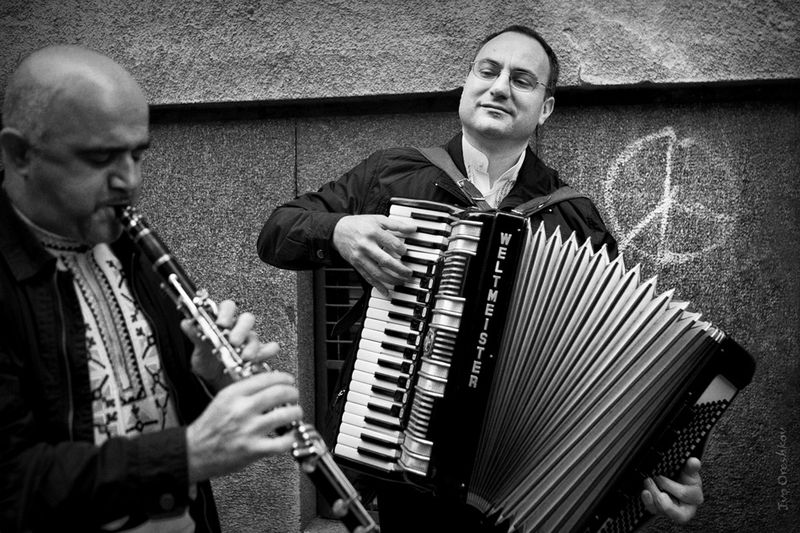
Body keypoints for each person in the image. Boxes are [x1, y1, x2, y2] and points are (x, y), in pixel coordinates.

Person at [257, 25, 704, 531]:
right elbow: (276, 231)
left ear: (545, 109)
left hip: (523, 474)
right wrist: (337, 230)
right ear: (467, 85)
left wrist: (670, 468)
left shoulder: (573, 216)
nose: (499, 87)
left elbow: (625, 353)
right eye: (488, 71)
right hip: (397, 448)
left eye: (522, 80)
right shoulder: (391, 174)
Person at [0, 45, 303, 532]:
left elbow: (160, 409)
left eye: (137, 154)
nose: (130, 180)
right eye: (101, 158)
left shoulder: (128, 244)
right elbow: (12, 482)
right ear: (20, 154)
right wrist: (187, 455)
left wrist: (209, 378)